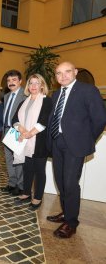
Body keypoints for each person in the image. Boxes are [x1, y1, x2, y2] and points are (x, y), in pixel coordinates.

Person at [46, 61, 106, 239]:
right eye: (58, 73)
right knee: (61, 181)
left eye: (67, 72)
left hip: (75, 146)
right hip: (58, 142)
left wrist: (85, 139)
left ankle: (71, 223)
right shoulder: (57, 94)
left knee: (71, 184)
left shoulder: (88, 91)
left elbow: (100, 119)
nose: (63, 76)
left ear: (75, 72)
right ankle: (66, 213)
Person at [11, 74, 53, 210]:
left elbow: (45, 120)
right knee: (27, 169)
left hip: (39, 142)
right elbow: (14, 119)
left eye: (37, 83)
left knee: (39, 171)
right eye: (31, 83)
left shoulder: (47, 101)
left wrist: (29, 133)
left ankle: (38, 197)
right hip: (24, 141)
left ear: (42, 85)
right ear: (28, 86)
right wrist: (22, 129)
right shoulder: (24, 102)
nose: (33, 86)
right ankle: (26, 193)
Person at [1, 70, 27, 195]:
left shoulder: (25, 95)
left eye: (14, 80)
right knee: (8, 159)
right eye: (9, 81)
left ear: (20, 81)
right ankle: (12, 183)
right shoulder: (6, 96)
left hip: (17, 131)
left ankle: (21, 186)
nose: (11, 83)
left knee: (18, 160)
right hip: (6, 130)